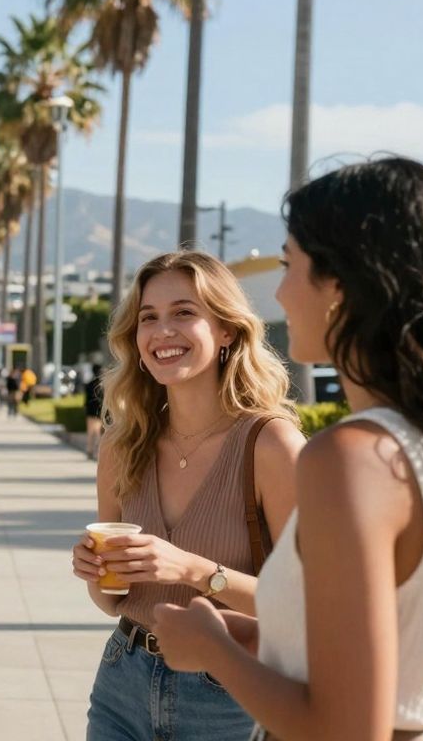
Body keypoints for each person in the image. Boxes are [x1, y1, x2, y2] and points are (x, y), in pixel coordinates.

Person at [151, 158, 423, 740]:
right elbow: (403, 646)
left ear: (343, 286)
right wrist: (251, 639)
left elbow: (348, 729)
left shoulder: (352, 458)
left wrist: (210, 651)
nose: (277, 291)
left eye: (289, 264)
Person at [72, 250, 306, 741]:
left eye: (184, 312)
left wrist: (194, 571)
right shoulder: (122, 443)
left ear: (226, 330)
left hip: (232, 693)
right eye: (148, 318)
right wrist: (98, 573)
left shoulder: (271, 444)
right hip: (123, 678)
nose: (162, 332)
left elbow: (310, 606)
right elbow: (111, 601)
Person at [84, 363, 105, 461]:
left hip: (90, 411)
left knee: (90, 432)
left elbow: (86, 399)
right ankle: (97, 453)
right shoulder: (103, 385)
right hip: (100, 411)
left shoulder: (88, 384)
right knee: (98, 433)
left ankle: (89, 450)